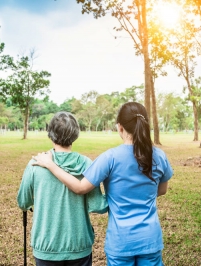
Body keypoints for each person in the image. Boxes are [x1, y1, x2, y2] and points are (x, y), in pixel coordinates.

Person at [32, 102, 173, 266]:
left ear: (120, 128)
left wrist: (50, 165)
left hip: (120, 242)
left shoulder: (110, 158)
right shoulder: (159, 155)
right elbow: (162, 190)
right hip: (150, 239)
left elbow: (80, 187)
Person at [17, 111, 108, 266]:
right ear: (75, 134)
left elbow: (23, 201)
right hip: (79, 244)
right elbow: (98, 206)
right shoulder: (86, 164)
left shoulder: (35, 163)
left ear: (50, 134)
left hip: (46, 246)